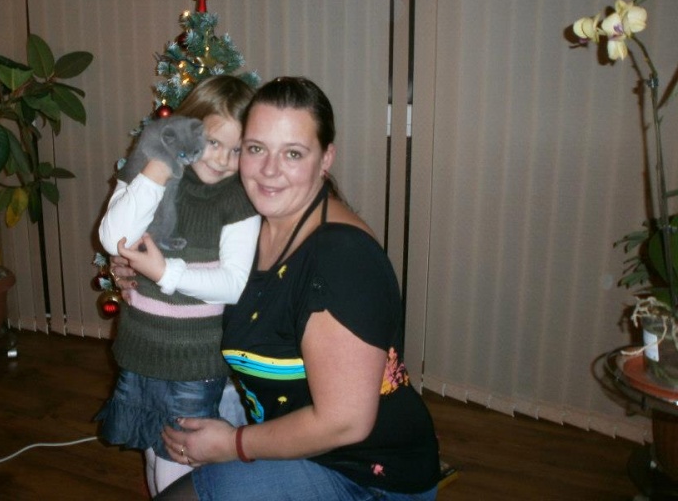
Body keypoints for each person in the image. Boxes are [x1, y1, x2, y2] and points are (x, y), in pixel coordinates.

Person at [138, 76, 440, 500]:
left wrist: (233, 444)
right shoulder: (248, 223)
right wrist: (139, 272)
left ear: (326, 158)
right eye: (255, 148)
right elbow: (194, 276)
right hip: (291, 440)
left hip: (367, 477)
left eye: (293, 153)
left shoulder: (342, 261)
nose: (269, 170)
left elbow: (345, 422)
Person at [96, 75, 260, 497]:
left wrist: (164, 272)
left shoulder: (238, 198)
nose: (223, 159)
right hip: (141, 349)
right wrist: (159, 162)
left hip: (193, 363)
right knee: (153, 452)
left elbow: (234, 285)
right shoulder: (154, 173)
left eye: (237, 149)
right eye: (213, 142)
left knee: (178, 460)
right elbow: (114, 237)